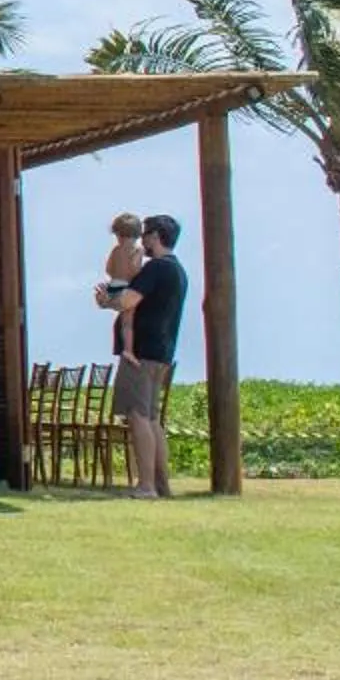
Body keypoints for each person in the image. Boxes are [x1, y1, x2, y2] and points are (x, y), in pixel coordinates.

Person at [95, 214, 189, 499]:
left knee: (137, 416)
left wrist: (105, 301)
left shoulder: (156, 269)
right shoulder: (177, 270)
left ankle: (146, 485)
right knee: (151, 419)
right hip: (161, 353)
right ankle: (161, 484)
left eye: (146, 234)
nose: (142, 240)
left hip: (141, 353)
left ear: (157, 236)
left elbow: (126, 300)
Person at [102, 212, 143, 366]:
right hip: (127, 285)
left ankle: (125, 348)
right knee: (128, 323)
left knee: (120, 317)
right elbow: (135, 269)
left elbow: (108, 269)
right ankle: (128, 350)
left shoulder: (116, 250)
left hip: (114, 284)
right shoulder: (138, 250)